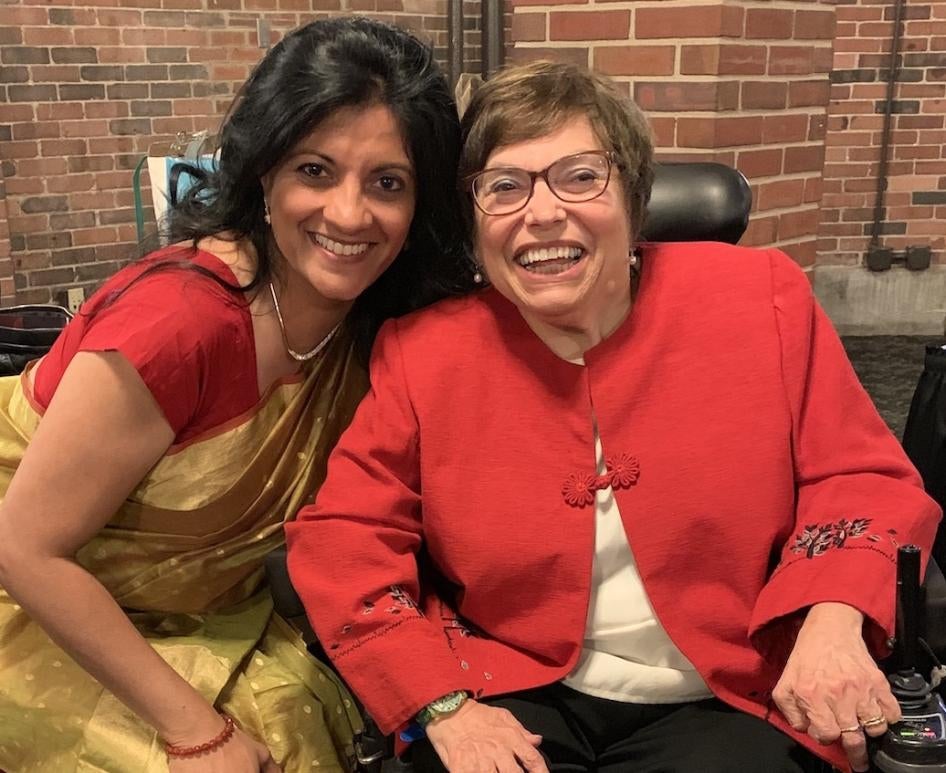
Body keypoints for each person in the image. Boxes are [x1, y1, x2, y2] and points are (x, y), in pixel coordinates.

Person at [285, 61, 942, 773]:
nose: (540, 213)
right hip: (512, 680)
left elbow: (862, 476)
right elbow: (344, 537)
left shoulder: (760, 300)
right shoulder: (427, 351)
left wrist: (833, 615)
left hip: (726, 691)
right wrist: (440, 699)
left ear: (633, 198)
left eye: (579, 176)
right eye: (504, 186)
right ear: (473, 227)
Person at [0, 16, 471, 773]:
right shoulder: (180, 322)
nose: (350, 215)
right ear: (263, 173)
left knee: (298, 727)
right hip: (36, 607)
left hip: (202, 612)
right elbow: (24, 549)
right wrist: (197, 733)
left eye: (388, 183)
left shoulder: (379, 325)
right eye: (316, 171)